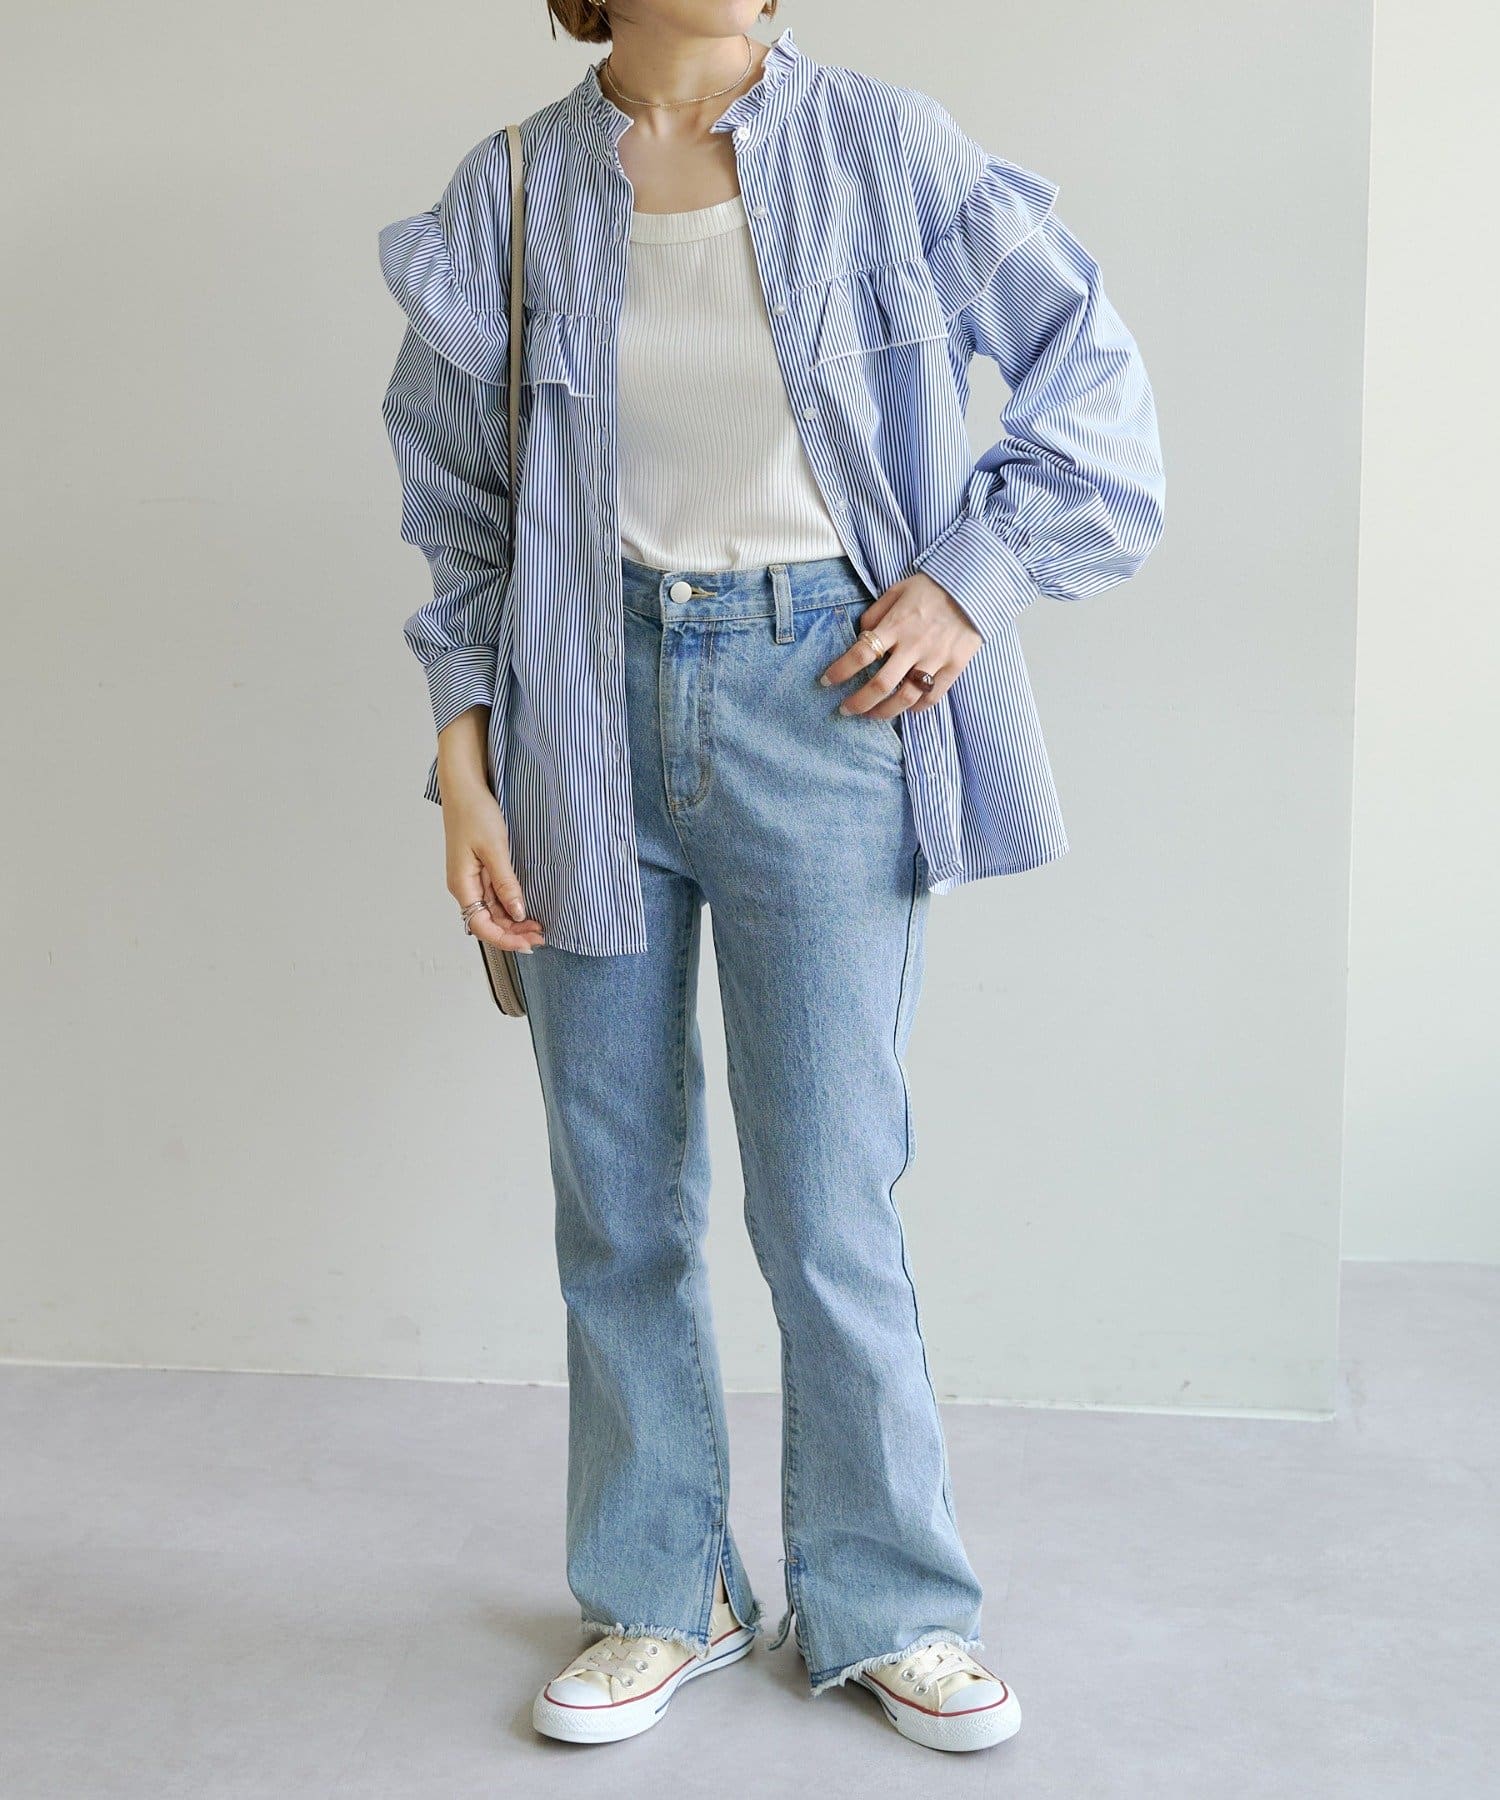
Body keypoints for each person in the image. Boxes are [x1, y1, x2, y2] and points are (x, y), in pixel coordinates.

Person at [377, 0, 1164, 1755]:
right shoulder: (512, 189)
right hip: (578, 708)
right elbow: (461, 511)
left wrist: (967, 581)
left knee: (828, 1195)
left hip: (827, 696)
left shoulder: (887, 147)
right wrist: (464, 766)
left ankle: (890, 1603)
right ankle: (663, 1592)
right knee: (618, 1201)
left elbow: (1091, 374)